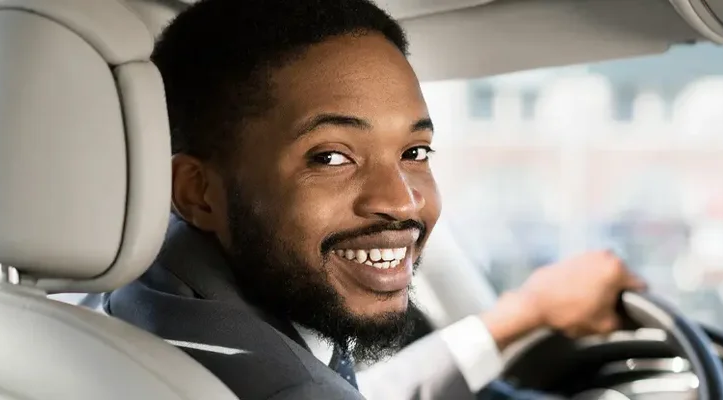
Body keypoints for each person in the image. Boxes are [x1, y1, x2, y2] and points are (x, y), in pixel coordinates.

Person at [105, 0, 645, 398]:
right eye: (331, 157)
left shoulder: (151, 296)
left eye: (415, 151)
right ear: (198, 193)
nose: (402, 202)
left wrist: (519, 317)